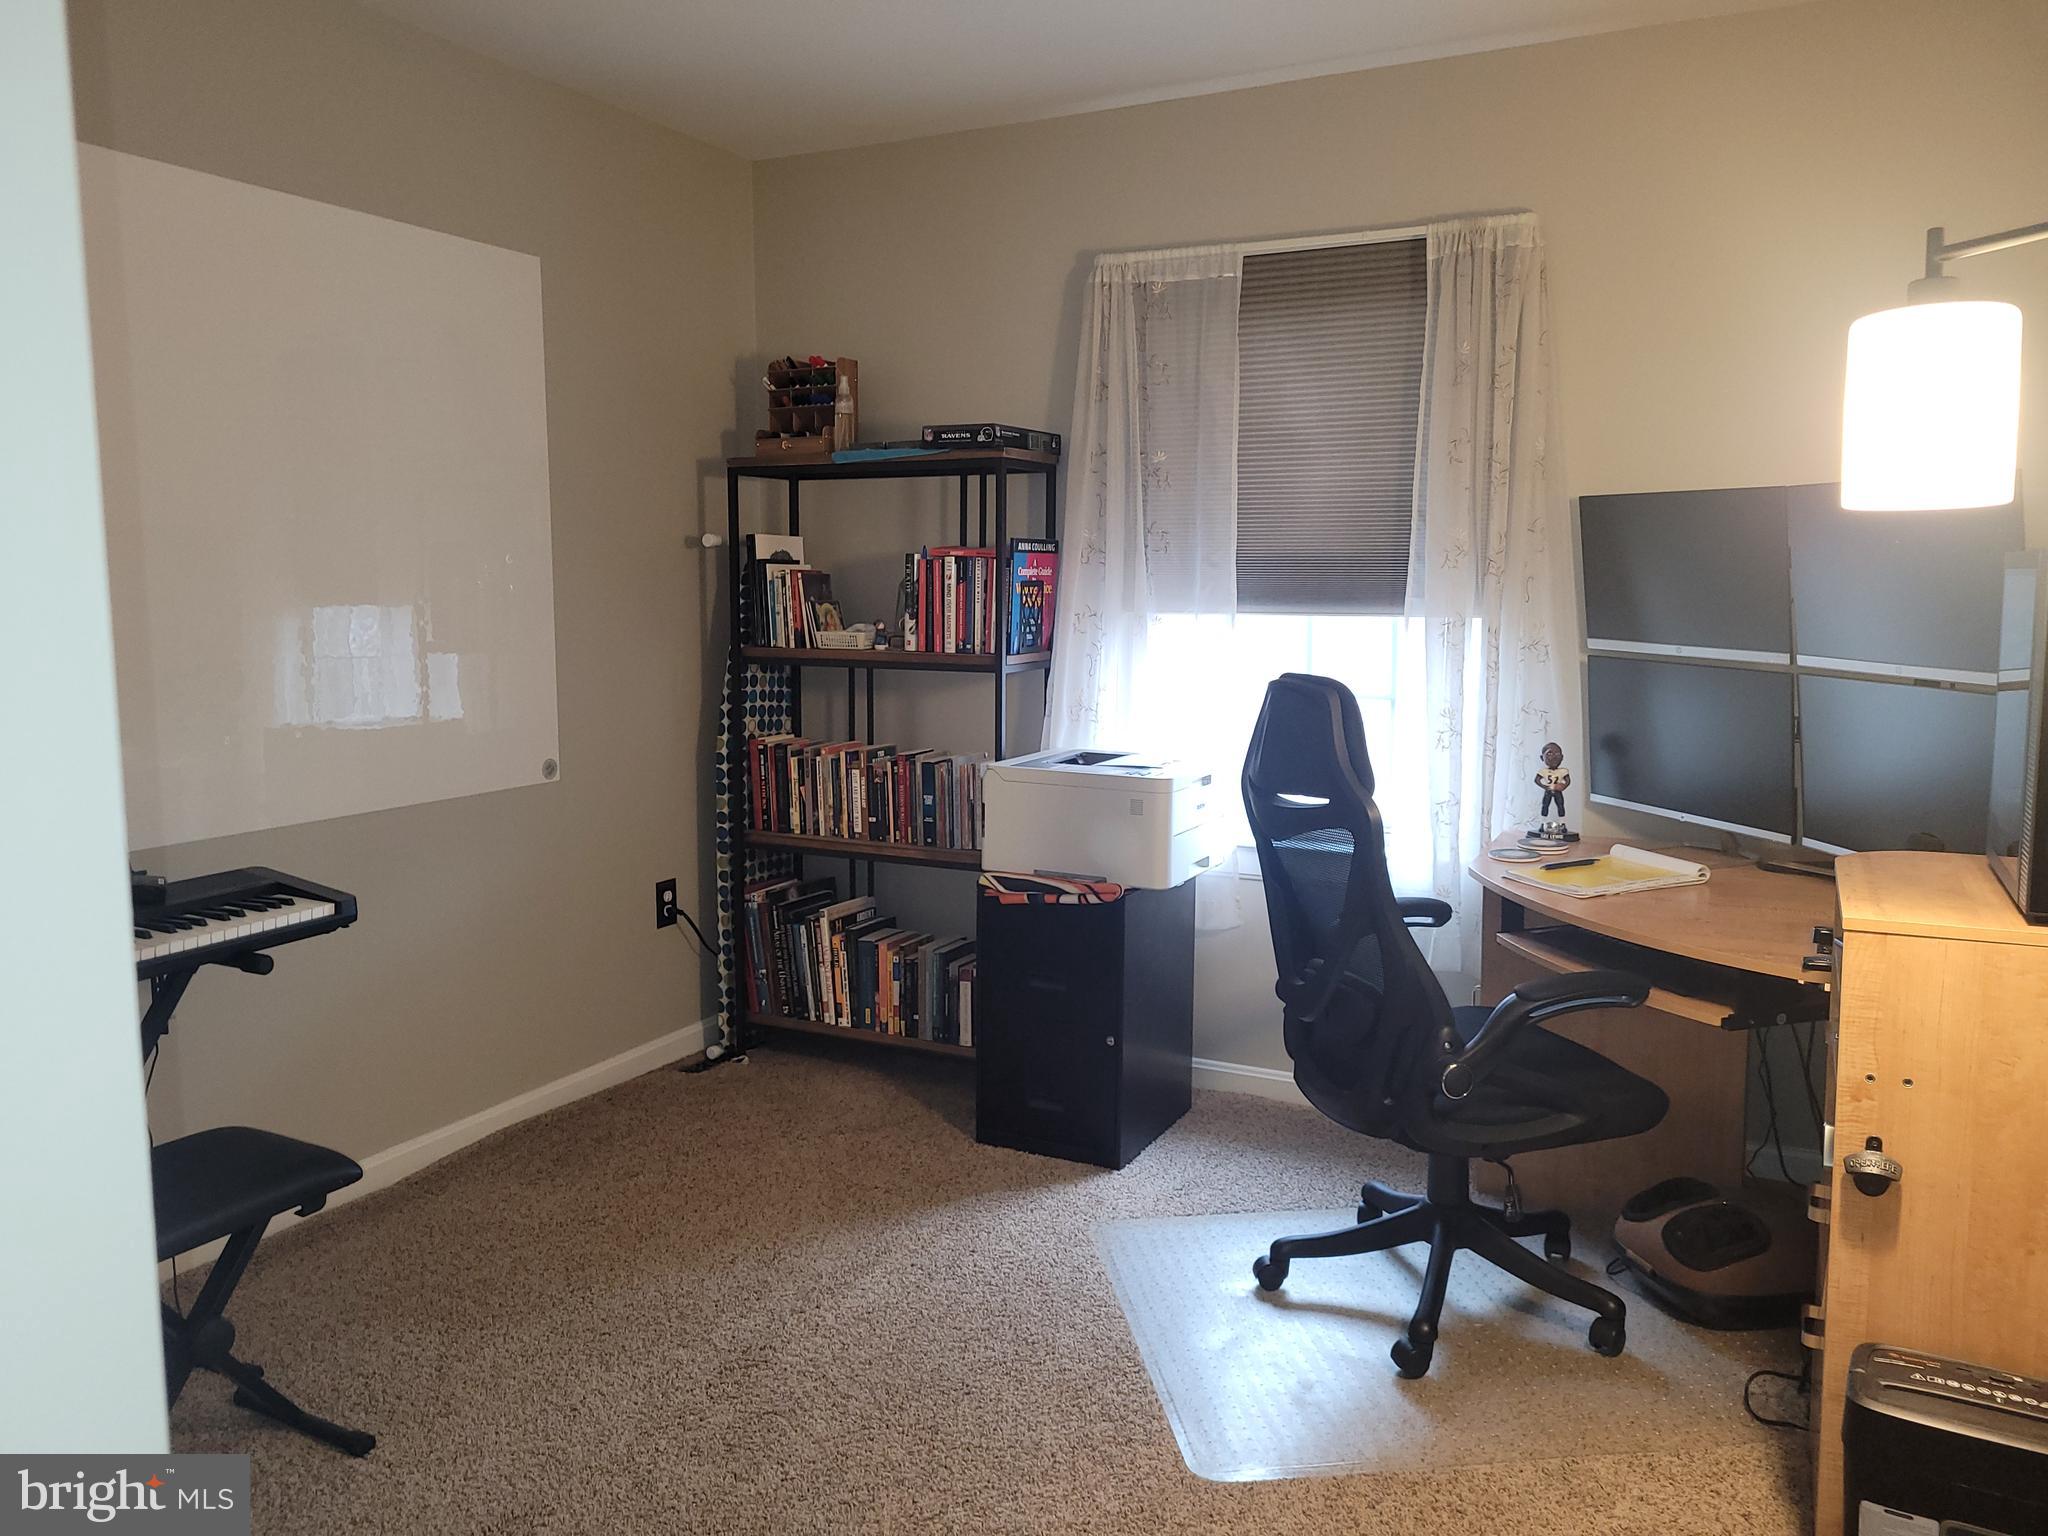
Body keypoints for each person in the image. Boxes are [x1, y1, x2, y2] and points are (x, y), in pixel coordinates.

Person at [1535, 741, 1570, 821]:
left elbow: (1567, 781)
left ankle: (1562, 822)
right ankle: (1543, 822)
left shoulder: (1563, 771)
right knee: (1545, 805)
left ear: (1562, 757)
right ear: (1542, 757)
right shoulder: (1543, 771)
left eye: (1557, 754)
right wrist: (1545, 787)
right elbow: (1537, 780)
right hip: (1548, 790)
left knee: (1560, 805)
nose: (1554, 757)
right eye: (1549, 754)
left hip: (1558, 791)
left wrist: (1563, 786)